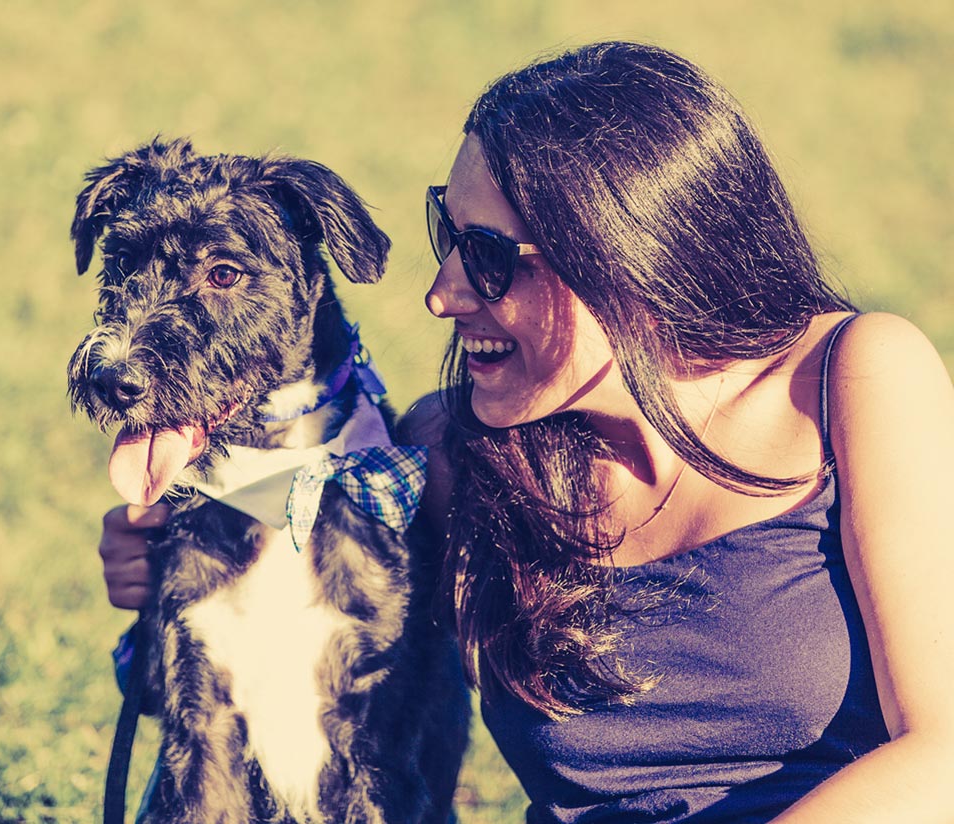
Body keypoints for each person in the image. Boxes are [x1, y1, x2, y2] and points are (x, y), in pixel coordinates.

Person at [96, 41, 954, 823]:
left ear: (628, 259)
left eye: (489, 255)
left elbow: (941, 756)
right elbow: (274, 665)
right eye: (449, 234)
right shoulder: (455, 457)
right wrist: (171, 561)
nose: (442, 293)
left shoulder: (852, 377)